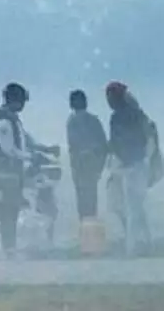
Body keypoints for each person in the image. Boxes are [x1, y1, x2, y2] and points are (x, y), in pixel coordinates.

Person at [0, 82, 53, 259]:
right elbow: (10, 150)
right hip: (2, 175)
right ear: (15, 100)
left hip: (11, 175)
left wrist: (44, 150)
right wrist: (30, 157)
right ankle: (2, 248)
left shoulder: (13, 119)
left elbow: (25, 142)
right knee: (3, 212)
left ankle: (7, 247)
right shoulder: (4, 121)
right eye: (22, 101)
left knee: (9, 212)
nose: (23, 105)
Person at [105, 81, 153, 258]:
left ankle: (131, 247)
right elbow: (148, 139)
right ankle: (146, 241)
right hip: (138, 164)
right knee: (136, 206)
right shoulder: (138, 114)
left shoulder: (118, 117)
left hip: (129, 166)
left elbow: (116, 143)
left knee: (131, 207)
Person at [66, 89, 108, 225]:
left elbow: (73, 145)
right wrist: (99, 166)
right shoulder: (92, 120)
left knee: (83, 200)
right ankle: (90, 231)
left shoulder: (72, 121)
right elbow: (103, 145)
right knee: (90, 199)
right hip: (89, 166)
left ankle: (86, 231)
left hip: (82, 167)